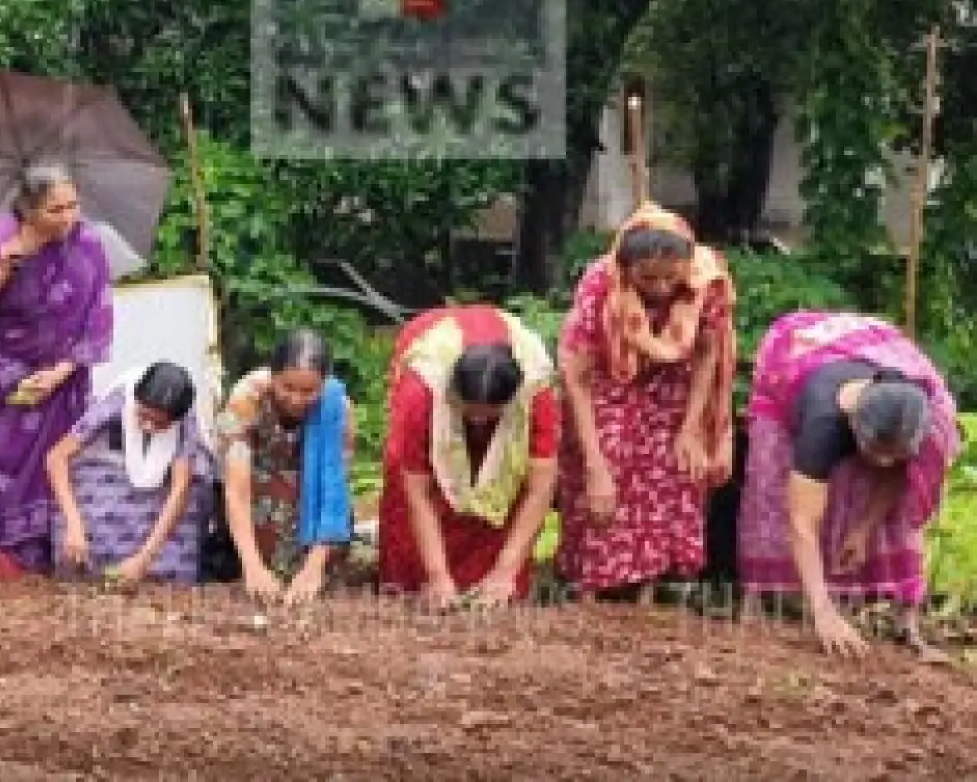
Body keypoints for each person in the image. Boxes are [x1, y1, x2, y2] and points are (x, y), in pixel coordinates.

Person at [738, 311, 962, 659]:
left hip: (872, 347)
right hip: (794, 352)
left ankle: (907, 620)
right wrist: (823, 612)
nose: (885, 464)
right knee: (773, 485)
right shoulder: (822, 425)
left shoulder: (917, 409)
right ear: (855, 426)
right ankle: (760, 605)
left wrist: (864, 528)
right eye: (876, 452)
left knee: (892, 498)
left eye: (896, 455)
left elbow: (898, 472)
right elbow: (802, 524)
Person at [556, 205, 738, 601]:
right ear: (626, 268)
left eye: (670, 278)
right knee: (608, 463)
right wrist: (594, 464)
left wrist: (692, 429)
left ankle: (648, 582)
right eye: (647, 278)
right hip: (607, 382)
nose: (659, 288)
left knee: (672, 466)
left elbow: (709, 354)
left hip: (672, 384)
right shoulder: (601, 287)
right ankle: (592, 581)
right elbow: (576, 372)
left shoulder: (706, 283)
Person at [0, 163, 114, 582]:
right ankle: (5, 554)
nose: (68, 217)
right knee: (3, 458)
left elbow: (98, 316)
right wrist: (3, 271)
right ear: (28, 209)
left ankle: (60, 549)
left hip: (66, 373)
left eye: (73, 205)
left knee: (62, 458)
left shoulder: (89, 243)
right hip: (9, 373)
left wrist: (60, 372)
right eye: (55, 209)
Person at [377, 307, 561, 611]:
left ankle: (493, 580)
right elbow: (417, 491)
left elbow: (540, 486)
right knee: (413, 561)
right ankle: (425, 582)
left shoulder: (535, 391)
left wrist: (505, 570)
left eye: (488, 415)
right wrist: (436, 575)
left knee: (497, 487)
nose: (477, 422)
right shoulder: (421, 391)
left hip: (504, 414)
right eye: (470, 411)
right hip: (431, 384)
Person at [214, 329, 355, 607]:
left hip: (312, 508)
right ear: (273, 375)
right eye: (287, 388)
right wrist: (252, 566)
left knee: (320, 573)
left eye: (309, 391)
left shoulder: (338, 409)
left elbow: (335, 491)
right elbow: (236, 488)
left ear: (324, 384)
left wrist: (314, 566)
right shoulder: (245, 400)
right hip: (259, 498)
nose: (297, 400)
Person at [48, 362, 215, 588]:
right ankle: (88, 569)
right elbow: (56, 457)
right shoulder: (118, 400)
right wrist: (74, 526)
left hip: (164, 478)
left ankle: (156, 573)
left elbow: (180, 489)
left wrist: (144, 559)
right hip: (112, 468)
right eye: (143, 416)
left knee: (194, 491)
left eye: (159, 424)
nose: (147, 427)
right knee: (91, 492)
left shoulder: (186, 421)